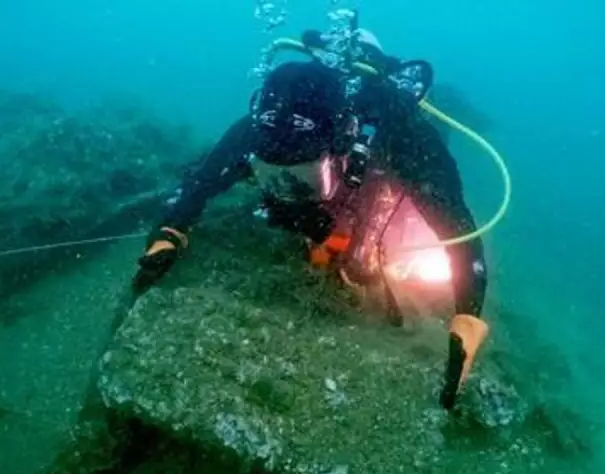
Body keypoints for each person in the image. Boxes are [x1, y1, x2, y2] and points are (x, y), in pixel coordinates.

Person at [133, 37, 490, 411]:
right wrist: (169, 234)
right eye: (270, 174)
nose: (286, 190)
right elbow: (198, 183)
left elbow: (457, 229)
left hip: (375, 163)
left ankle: (448, 102)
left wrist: (467, 315)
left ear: (340, 144)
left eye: (302, 175)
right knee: (319, 233)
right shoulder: (262, 129)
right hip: (328, 167)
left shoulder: (406, 136)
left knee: (378, 235)